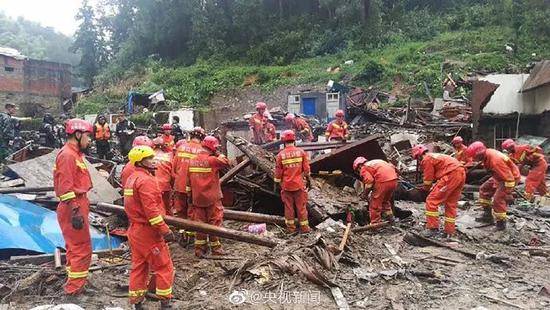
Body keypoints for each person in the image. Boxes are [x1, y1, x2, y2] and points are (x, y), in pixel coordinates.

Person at [124, 145, 175, 309]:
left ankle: (136, 302)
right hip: (148, 232)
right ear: (140, 162)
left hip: (135, 230)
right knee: (163, 266)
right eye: (149, 159)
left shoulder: (132, 178)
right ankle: (165, 302)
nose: (154, 161)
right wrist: (164, 230)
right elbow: (152, 211)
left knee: (139, 266)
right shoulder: (146, 181)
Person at [53, 118, 94, 295]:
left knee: (75, 247)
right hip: (73, 206)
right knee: (81, 249)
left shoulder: (74, 153)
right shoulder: (68, 155)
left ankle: (75, 283)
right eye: (87, 136)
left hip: (76, 204)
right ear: (77, 135)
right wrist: (76, 211)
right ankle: (74, 290)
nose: (90, 140)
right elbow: (65, 187)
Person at [187, 136, 230, 257]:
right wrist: (218, 154)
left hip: (197, 198)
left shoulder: (192, 160)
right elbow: (226, 162)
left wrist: (190, 197)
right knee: (214, 221)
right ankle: (216, 248)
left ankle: (199, 249)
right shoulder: (212, 160)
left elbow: (188, 182)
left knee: (199, 223)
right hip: (212, 198)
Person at [412, 145, 466, 237]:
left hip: (451, 175)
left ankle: (432, 228)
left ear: (419, 155)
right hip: (461, 173)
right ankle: (449, 231)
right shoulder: (434, 156)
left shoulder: (427, 159)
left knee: (431, 200)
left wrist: (425, 190)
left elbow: (428, 180)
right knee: (451, 203)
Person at [466, 141, 520, 230]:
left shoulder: (495, 161)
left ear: (479, 154)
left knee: (498, 199)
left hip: (509, 178)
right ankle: (487, 216)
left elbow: (509, 178)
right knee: (484, 189)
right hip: (498, 175)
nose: (473, 159)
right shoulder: (486, 154)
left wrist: (508, 192)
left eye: (474, 157)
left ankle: (501, 223)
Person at [274, 130, 312, 233]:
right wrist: (306, 178)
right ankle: (304, 228)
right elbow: (307, 170)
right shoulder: (301, 152)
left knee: (289, 208)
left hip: (286, 186)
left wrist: (278, 183)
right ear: (294, 140)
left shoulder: (280, 155)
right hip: (299, 185)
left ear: (283, 141)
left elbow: (278, 173)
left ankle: (291, 229)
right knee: (301, 208)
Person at [172, 127, 205, 219]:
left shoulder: (181, 147)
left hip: (180, 184)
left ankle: (181, 229)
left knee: (180, 210)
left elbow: (174, 168)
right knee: (193, 210)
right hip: (194, 186)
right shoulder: (202, 150)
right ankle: (191, 230)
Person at [353, 157, 398, 225]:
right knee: (385, 201)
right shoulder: (377, 161)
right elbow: (394, 167)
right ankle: (391, 220)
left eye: (357, 170)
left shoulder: (364, 168)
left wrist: (364, 194)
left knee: (374, 204)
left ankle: (375, 225)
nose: (359, 172)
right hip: (394, 180)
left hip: (383, 181)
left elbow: (369, 183)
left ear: (359, 166)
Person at [152, 137, 174, 214]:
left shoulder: (148, 157)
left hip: (152, 186)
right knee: (167, 207)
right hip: (165, 186)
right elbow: (173, 174)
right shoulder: (168, 157)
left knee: (154, 207)